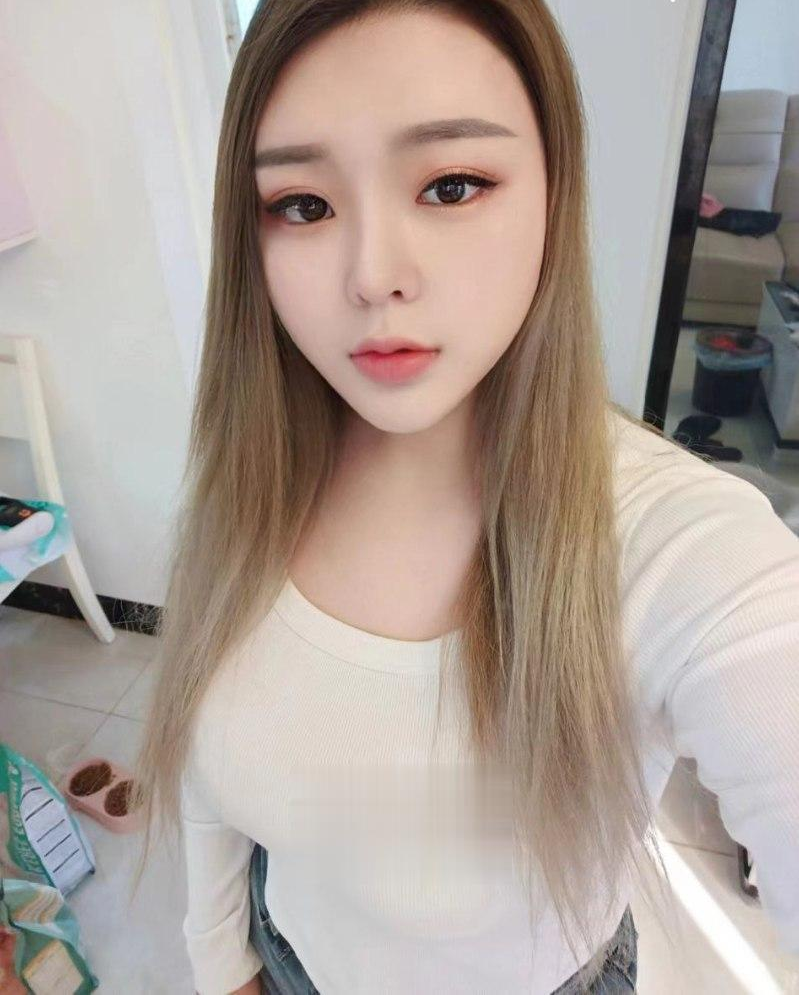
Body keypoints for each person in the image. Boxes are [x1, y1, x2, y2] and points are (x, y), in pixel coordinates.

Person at [127, 1, 799, 993]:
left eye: (451, 185)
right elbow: (209, 760)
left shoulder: (686, 552)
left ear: (555, 193)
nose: (372, 277)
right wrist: (221, 959)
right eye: (302, 205)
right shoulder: (250, 478)